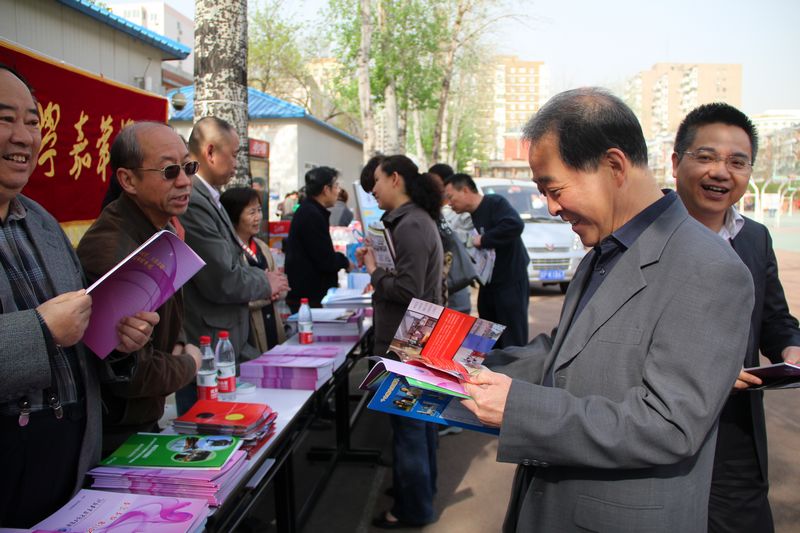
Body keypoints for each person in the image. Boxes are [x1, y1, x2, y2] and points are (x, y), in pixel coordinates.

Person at [461, 88, 754, 533]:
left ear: (614, 166)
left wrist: (519, 409)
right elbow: (565, 351)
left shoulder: (709, 268)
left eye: (554, 189)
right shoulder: (604, 251)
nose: (552, 208)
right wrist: (463, 364)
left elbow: (668, 425)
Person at [0, 65, 154, 527]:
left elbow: (79, 336)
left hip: (69, 461)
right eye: (5, 119)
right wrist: (40, 331)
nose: (23, 136)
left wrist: (118, 341)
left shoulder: (42, 222)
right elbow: (50, 330)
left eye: (32, 121)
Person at [672, 103, 800, 533]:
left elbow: (775, 318)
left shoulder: (756, 238)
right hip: (661, 430)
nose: (721, 173)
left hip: (736, 437)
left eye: (737, 162)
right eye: (706, 157)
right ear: (676, 163)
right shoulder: (639, 236)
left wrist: (790, 347)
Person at [76, 122, 201, 454]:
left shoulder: (158, 231)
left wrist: (178, 343)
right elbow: (129, 372)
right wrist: (190, 363)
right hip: (116, 433)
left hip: (142, 420)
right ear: (128, 180)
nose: (184, 181)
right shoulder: (113, 251)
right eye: (169, 171)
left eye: (188, 167)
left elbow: (169, 314)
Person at [357, 155, 444, 529]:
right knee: (420, 424)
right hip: (417, 336)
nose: (373, 190)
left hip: (408, 341)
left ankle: (412, 509)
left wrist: (375, 272)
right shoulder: (413, 221)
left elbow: (409, 290)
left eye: (376, 181)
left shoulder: (410, 225)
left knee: (409, 428)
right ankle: (419, 494)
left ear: (395, 179)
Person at [179, 117, 288, 412]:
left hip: (227, 342)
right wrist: (265, 281)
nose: (237, 164)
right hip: (209, 346)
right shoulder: (194, 200)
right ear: (210, 152)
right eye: (235, 154)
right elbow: (221, 278)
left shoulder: (208, 197)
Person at [444, 173, 529, 347]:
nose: (449, 203)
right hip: (488, 283)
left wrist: (483, 240)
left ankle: (515, 364)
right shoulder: (469, 216)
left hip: (509, 281)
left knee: (512, 338)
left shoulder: (494, 203)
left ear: (465, 190)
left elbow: (515, 225)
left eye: (451, 197)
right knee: (487, 336)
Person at [220, 186, 287, 352]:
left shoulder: (262, 246)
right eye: (251, 212)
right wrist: (268, 292)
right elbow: (235, 294)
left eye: (259, 210)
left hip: (272, 324)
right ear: (234, 215)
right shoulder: (228, 251)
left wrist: (274, 290)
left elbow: (282, 285)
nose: (258, 217)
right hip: (247, 329)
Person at [284, 166, 352, 312]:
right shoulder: (311, 214)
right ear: (326, 189)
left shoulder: (311, 210)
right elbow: (325, 259)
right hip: (309, 299)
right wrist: (345, 262)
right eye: (336, 186)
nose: (338, 191)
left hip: (311, 296)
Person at [428, 163, 473, 316]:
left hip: (456, 286)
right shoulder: (432, 210)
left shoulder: (462, 211)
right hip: (441, 289)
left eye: (434, 182)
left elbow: (471, 240)